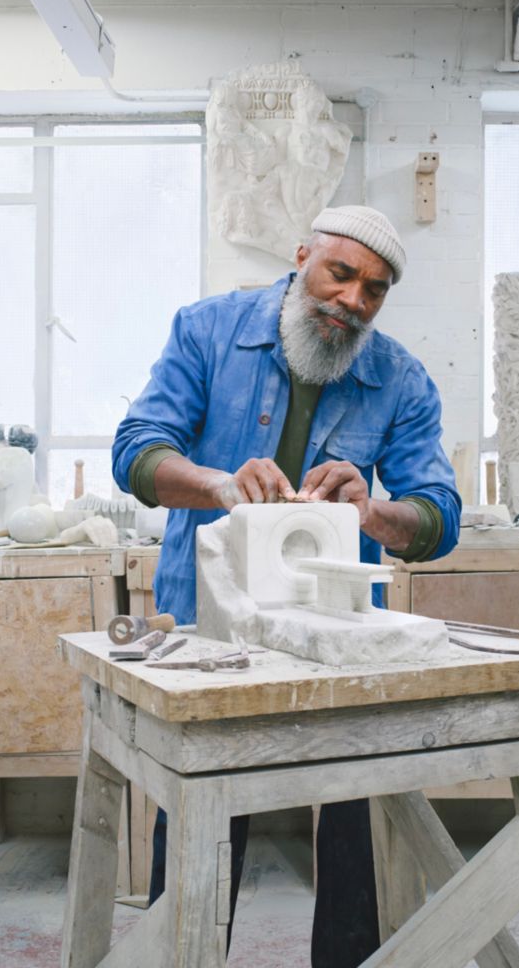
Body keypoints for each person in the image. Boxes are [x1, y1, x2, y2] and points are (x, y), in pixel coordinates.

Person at [112, 204, 461, 967]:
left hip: (333, 635)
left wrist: (373, 510)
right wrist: (216, 483)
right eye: (340, 274)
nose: (352, 301)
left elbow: (440, 517)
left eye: (374, 291)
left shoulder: (397, 376)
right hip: (209, 625)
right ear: (302, 256)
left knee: (354, 812)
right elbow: (135, 453)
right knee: (202, 808)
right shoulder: (208, 330)